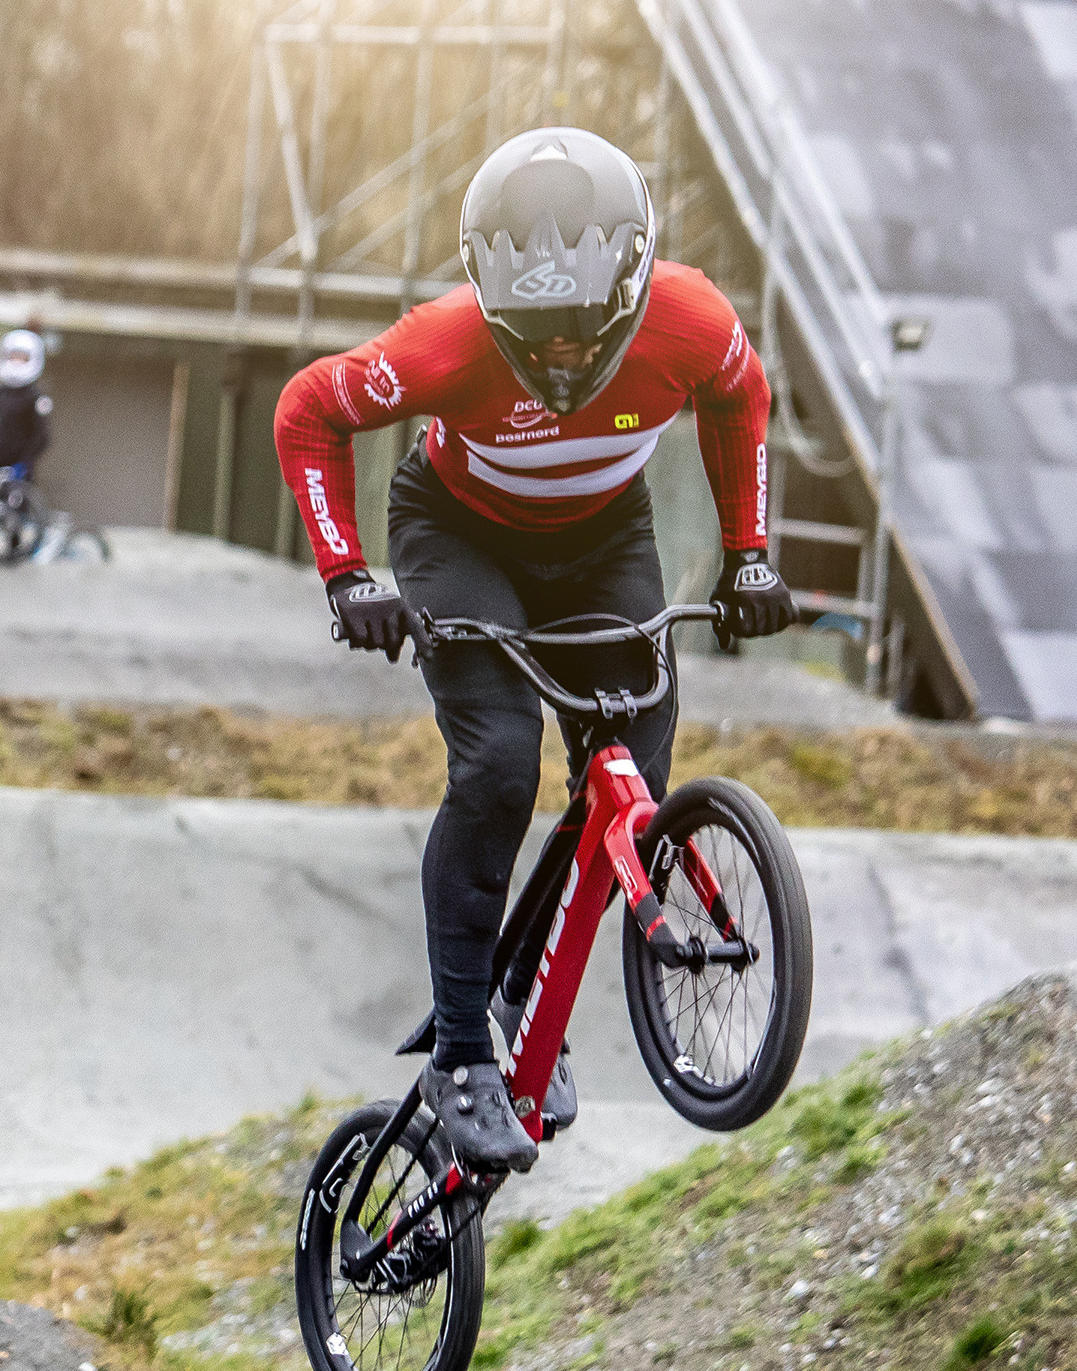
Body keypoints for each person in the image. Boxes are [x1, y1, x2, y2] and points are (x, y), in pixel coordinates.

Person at [273, 126, 794, 1175]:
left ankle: (522, 1002)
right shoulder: (441, 342)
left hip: (603, 540)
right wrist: (346, 575)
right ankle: (462, 1053)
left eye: (581, 332)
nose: (560, 356)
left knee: (628, 779)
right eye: (533, 335)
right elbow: (306, 412)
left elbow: (742, 401)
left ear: (636, 288)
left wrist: (748, 555)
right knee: (499, 765)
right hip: (459, 539)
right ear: (486, 304)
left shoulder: (692, 320)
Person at [0, 328, 53, 481]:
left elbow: (42, 436)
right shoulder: (0, 392)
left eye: (22, 358)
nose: (16, 361)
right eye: (13, 356)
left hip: (19, 471)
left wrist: (23, 463)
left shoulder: (35, 396)